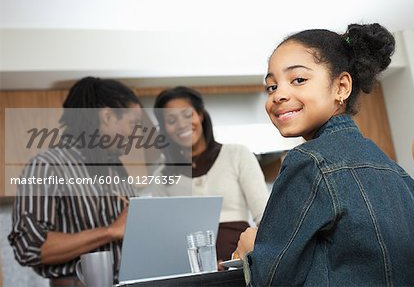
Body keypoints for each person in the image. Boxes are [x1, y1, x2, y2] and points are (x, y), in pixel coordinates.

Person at [235, 23, 414, 286]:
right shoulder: (394, 170)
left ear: (341, 87)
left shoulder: (308, 162)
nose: (278, 95)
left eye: (298, 79)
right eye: (272, 87)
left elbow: (272, 278)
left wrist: (251, 252)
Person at [8, 77, 142, 286]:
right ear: (107, 117)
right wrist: (109, 232)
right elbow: (30, 246)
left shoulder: (115, 168)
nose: (136, 133)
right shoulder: (47, 166)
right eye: (132, 124)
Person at [149, 86, 269, 264]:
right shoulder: (161, 176)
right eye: (171, 120)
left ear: (200, 115)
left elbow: (265, 217)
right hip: (190, 273)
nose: (182, 124)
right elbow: (162, 237)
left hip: (240, 266)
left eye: (187, 114)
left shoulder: (237, 154)